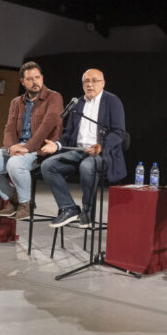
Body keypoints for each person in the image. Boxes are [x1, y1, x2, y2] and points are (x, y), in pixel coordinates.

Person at [0, 62, 62, 221]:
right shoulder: (16, 102)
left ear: (42, 78)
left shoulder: (54, 97)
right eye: (30, 79)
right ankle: (14, 197)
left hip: (39, 149)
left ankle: (26, 204)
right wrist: (11, 147)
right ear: (22, 82)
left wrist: (28, 148)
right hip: (17, 148)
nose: (35, 82)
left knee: (14, 164)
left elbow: (47, 126)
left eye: (37, 77)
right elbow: (9, 128)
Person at [39, 69, 127, 229]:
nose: (90, 84)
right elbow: (69, 133)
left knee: (87, 166)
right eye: (86, 81)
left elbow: (119, 132)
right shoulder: (77, 104)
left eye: (94, 81)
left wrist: (102, 145)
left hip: (102, 153)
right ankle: (69, 208)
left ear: (103, 83)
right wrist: (56, 145)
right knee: (48, 166)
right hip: (78, 151)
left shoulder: (112, 101)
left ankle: (87, 211)